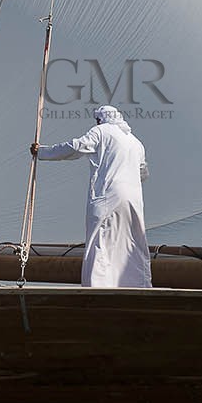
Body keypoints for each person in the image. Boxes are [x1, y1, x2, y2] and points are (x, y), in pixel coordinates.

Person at [31, 105, 152, 288]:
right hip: (133, 199)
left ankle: (97, 286)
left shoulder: (102, 131)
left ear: (101, 119)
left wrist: (42, 152)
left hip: (108, 195)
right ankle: (139, 284)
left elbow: (75, 147)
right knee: (132, 240)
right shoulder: (136, 143)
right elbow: (143, 173)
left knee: (100, 239)